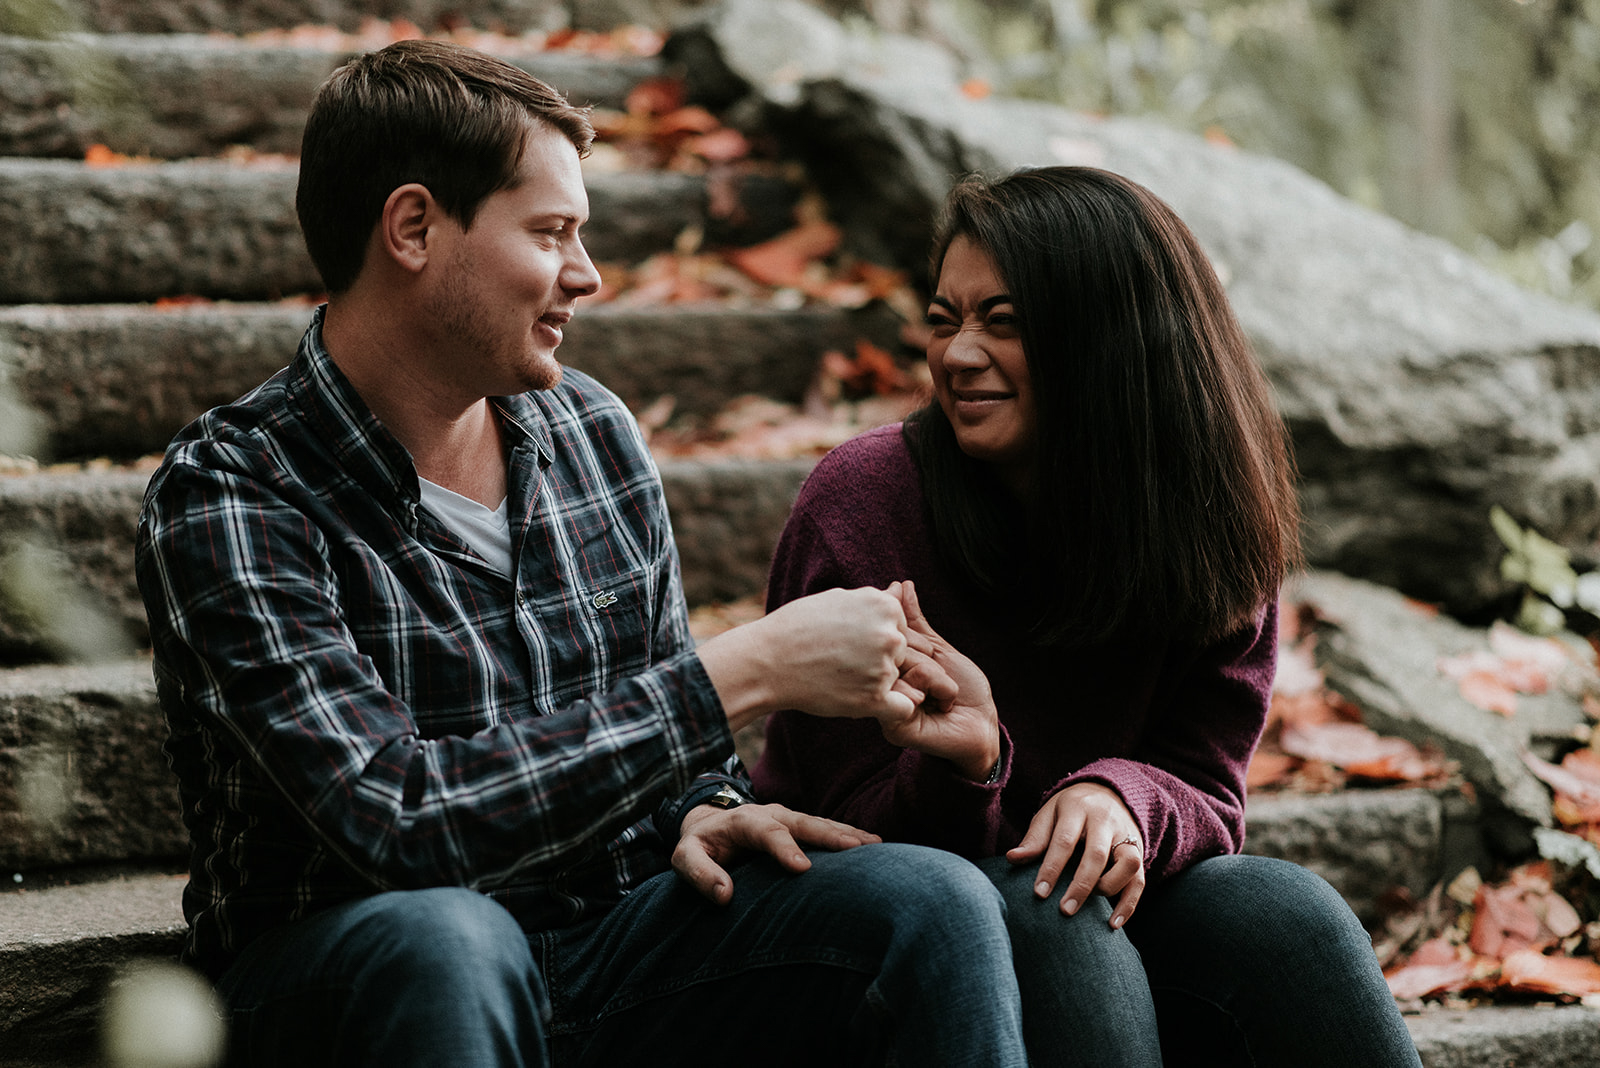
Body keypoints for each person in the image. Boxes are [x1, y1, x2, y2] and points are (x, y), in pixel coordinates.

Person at [134, 40, 1029, 1068]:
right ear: (414, 227)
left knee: (928, 903)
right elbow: (397, 821)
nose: (588, 276)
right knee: (449, 938)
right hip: (349, 980)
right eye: (552, 232)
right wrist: (750, 669)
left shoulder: (592, 434)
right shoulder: (235, 491)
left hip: (600, 948)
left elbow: (679, 765)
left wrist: (705, 809)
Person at [751, 166, 1423, 1067]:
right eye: (946, 319)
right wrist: (967, 768)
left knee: (1282, 912)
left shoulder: (1203, 513)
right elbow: (854, 847)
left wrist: (1124, 796)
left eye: (1004, 321)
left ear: (1115, 339)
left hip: (1096, 922)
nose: (956, 355)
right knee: (1052, 918)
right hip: (871, 945)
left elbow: (1208, 784)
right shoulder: (867, 504)